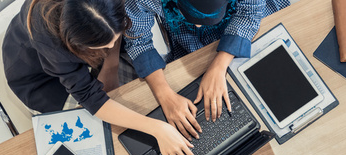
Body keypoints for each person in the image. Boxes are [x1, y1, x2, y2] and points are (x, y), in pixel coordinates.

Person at [3, 0, 198, 155]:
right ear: (78, 43)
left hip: (94, 36)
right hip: (41, 76)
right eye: (104, 45)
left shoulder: (107, 19)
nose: (112, 45)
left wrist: (111, 66)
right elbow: (89, 96)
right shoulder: (49, 39)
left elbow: (112, 33)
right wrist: (157, 128)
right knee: (90, 136)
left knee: (136, 93)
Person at [123, 0, 289, 138]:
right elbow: (137, 41)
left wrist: (219, 65)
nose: (198, 25)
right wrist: (164, 95)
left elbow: (250, 12)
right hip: (189, 46)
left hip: (243, 28)